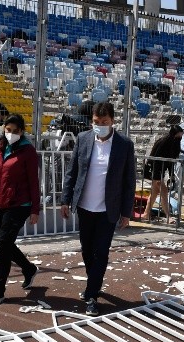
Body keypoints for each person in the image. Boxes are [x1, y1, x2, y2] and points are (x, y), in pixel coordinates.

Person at [60, 102, 136, 316]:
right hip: (84, 206)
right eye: (96, 122)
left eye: (104, 123)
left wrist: (126, 212)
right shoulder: (83, 139)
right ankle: (94, 282)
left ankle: (91, 294)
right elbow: (72, 172)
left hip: (108, 209)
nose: (99, 126)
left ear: (113, 121)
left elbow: (129, 181)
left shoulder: (124, 144)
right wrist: (65, 199)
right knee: (86, 250)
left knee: (101, 252)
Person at [0, 114, 40, 306]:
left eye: (15, 131)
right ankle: (28, 269)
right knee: (4, 244)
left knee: (2, 248)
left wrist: (35, 209)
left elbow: (33, 182)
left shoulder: (27, 151)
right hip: (0, 203)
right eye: (8, 130)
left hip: (19, 205)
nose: (11, 133)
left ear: (22, 132)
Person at [141, 124, 184, 222]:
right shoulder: (163, 142)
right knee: (164, 192)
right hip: (155, 170)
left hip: (162, 170)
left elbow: (171, 161)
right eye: (178, 135)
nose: (180, 137)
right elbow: (154, 159)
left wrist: (171, 175)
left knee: (154, 193)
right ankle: (168, 217)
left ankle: (146, 214)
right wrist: (156, 176)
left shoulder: (175, 144)